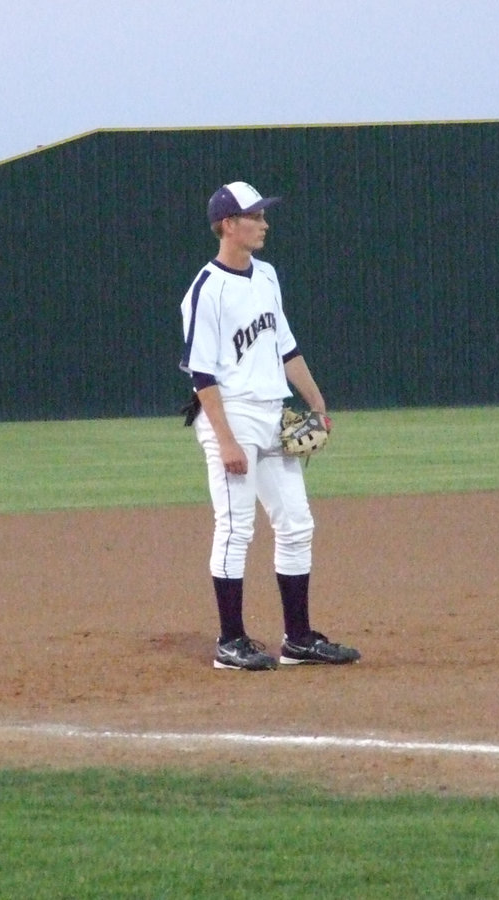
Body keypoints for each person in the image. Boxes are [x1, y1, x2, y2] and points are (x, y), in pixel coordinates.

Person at [179, 181, 361, 671]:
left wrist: (318, 403)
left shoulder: (268, 277)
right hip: (230, 412)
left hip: (272, 411)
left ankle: (298, 639)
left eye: (262, 214)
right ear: (227, 224)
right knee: (237, 527)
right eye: (254, 215)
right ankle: (230, 641)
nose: (263, 223)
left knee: (296, 522)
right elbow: (200, 374)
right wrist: (225, 439)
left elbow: (286, 347)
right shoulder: (206, 289)